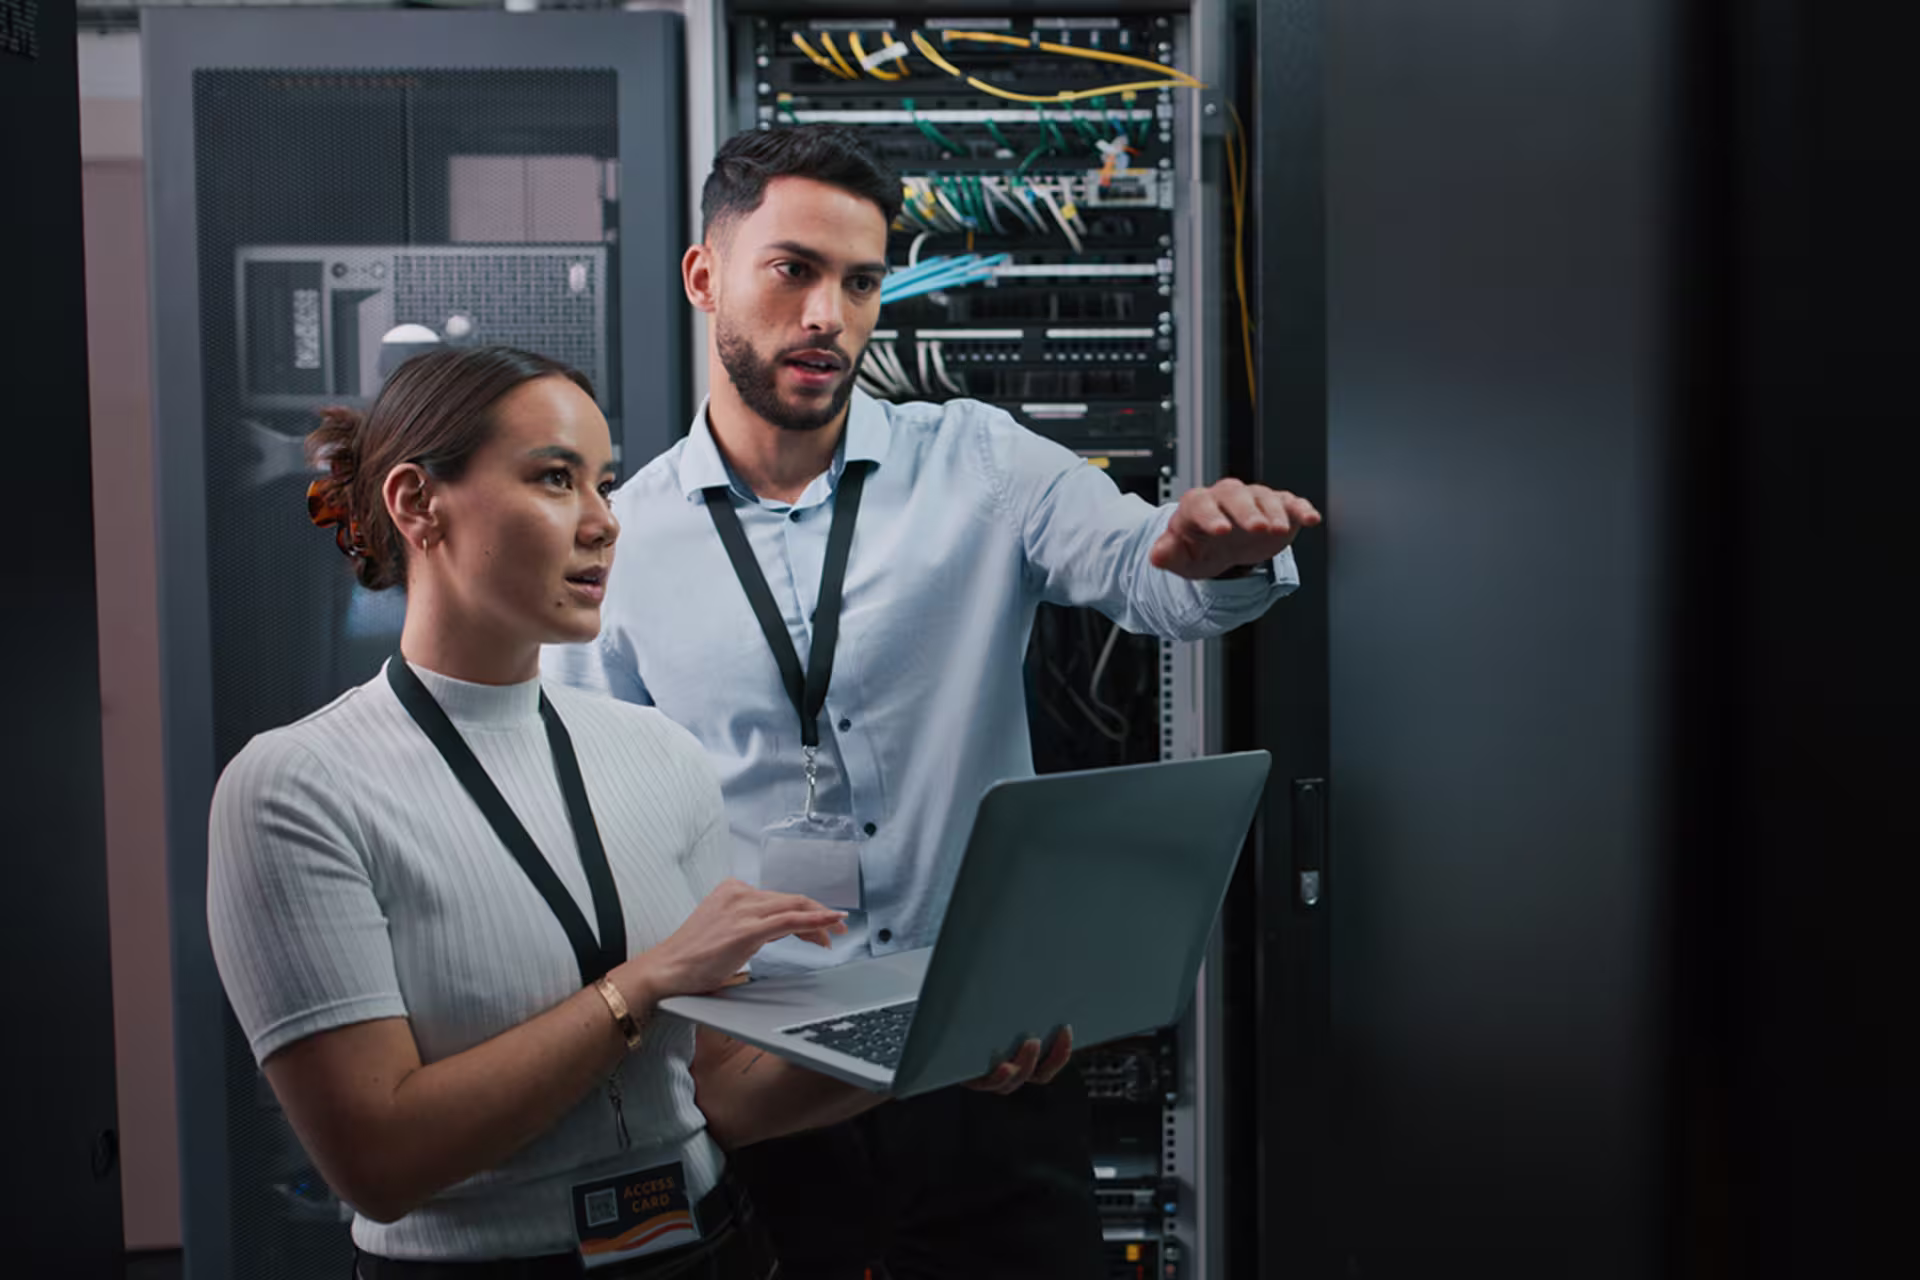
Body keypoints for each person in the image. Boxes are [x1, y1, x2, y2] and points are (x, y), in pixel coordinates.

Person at [544, 126, 1321, 1280]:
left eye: (862, 282)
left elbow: (1140, 569)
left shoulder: (979, 462)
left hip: (986, 1058)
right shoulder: (624, 536)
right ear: (706, 277)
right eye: (793, 269)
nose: (831, 315)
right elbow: (591, 826)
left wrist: (1210, 551)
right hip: (762, 1076)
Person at [206, 344, 1062, 1280]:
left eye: (604, 484)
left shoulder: (660, 754)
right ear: (418, 504)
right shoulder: (296, 789)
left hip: (714, 1245)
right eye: (554, 479)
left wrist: (936, 1044)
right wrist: (640, 986)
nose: (604, 523)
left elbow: (723, 1098)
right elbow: (380, 1163)